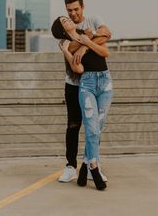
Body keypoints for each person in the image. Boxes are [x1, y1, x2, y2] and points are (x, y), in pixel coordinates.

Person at [51, 15, 113, 190]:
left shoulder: (85, 31)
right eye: (65, 19)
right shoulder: (66, 43)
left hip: (100, 82)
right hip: (79, 84)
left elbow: (107, 37)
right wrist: (75, 47)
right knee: (75, 125)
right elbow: (77, 66)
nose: (70, 17)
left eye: (71, 14)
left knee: (95, 127)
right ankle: (73, 166)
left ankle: (90, 164)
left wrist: (86, 43)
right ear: (62, 29)